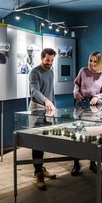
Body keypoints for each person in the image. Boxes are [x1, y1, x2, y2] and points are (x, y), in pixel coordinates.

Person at [72, 51, 102, 176]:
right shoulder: (83, 71)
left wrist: (97, 97)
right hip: (80, 103)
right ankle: (76, 163)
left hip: (94, 106)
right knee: (78, 134)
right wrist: (76, 93)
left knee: (93, 135)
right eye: (90, 60)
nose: (92, 63)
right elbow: (76, 84)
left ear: (99, 62)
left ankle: (93, 162)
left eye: (95, 61)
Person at [29, 47, 58, 190]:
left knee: (45, 141)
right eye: (47, 60)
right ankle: (38, 173)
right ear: (42, 58)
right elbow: (34, 91)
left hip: (48, 110)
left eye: (52, 60)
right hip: (37, 109)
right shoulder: (34, 72)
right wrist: (46, 101)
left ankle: (41, 168)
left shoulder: (51, 71)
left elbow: (51, 91)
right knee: (37, 142)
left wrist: (53, 106)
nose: (50, 63)